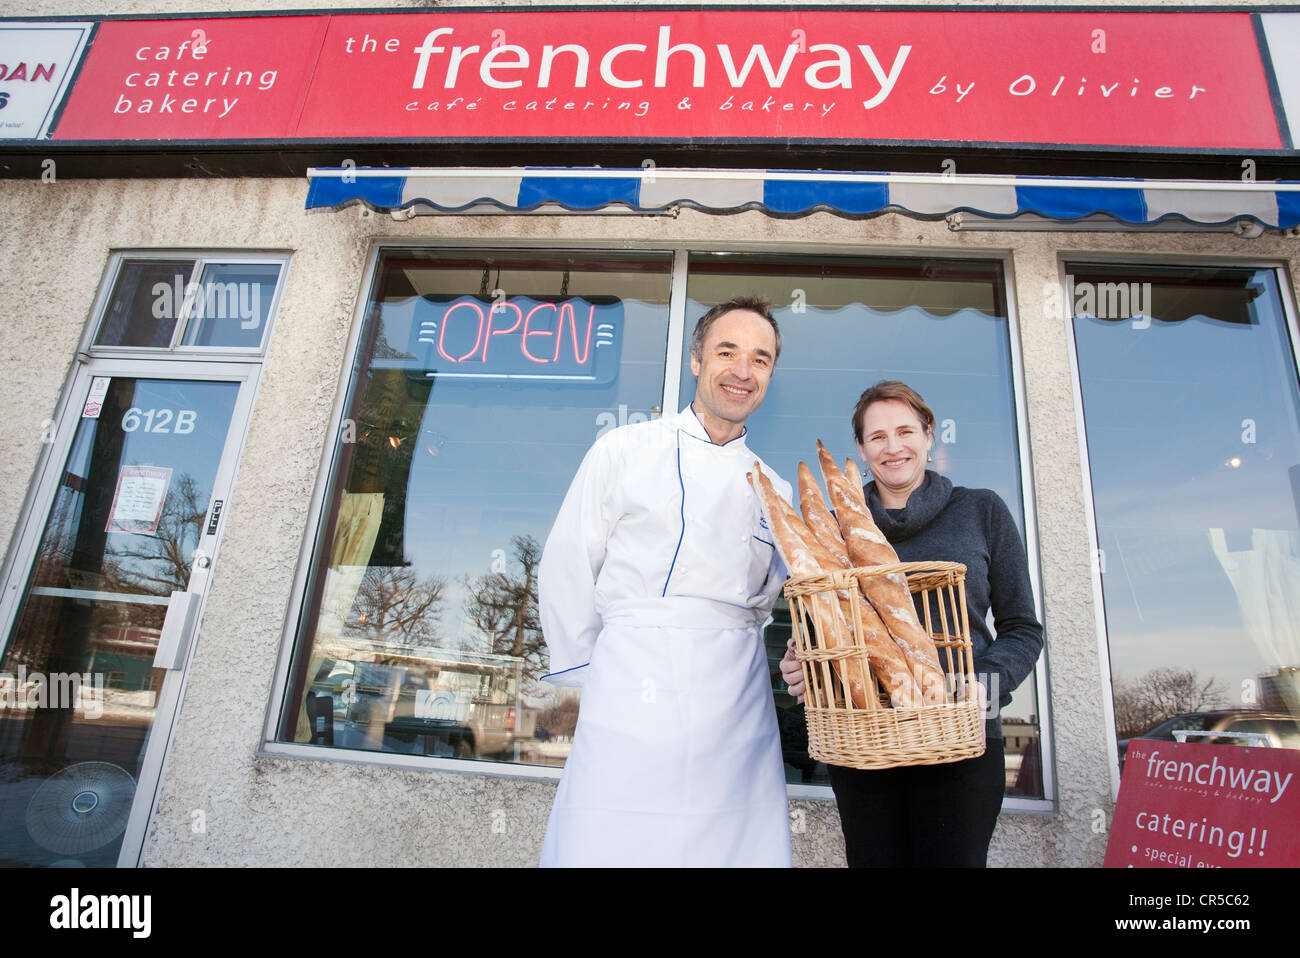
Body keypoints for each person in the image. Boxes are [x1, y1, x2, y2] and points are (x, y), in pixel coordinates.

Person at [538, 295, 793, 867]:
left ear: (771, 375)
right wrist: (586, 673)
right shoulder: (625, 449)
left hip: (735, 694)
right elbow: (569, 561)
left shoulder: (774, 489)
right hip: (631, 680)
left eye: (761, 359)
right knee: (611, 837)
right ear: (697, 360)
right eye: (727, 352)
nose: (742, 371)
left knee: (730, 843)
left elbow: (773, 603)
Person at [780, 380, 1043, 867]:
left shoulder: (980, 510)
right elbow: (825, 625)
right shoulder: (833, 526)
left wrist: (984, 684)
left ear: (929, 435)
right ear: (860, 448)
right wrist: (803, 665)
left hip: (962, 733)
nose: (893, 446)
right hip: (865, 733)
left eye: (905, 431)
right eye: (876, 437)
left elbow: (1024, 628)